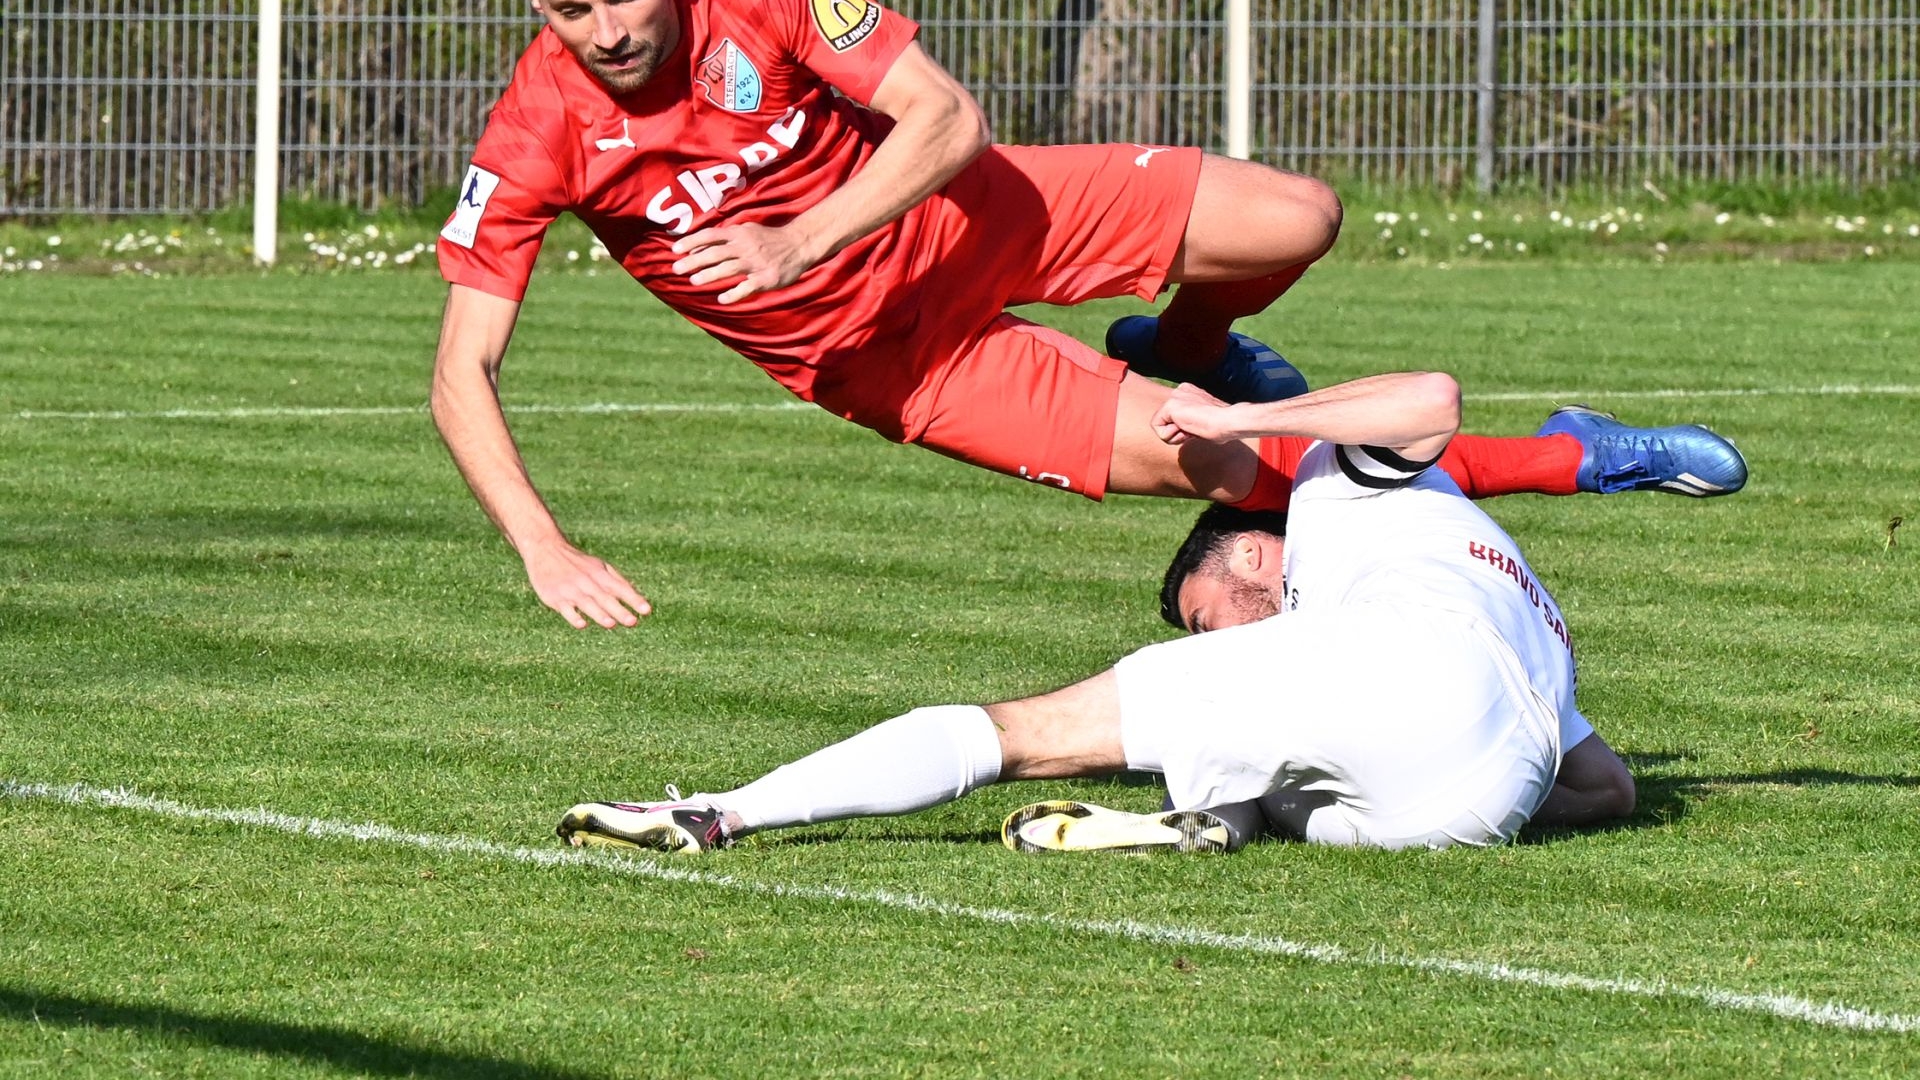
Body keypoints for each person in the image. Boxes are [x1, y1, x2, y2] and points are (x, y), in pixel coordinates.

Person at [432, 0, 1747, 630]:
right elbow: (460, 373)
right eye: (573, 11)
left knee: (1300, 217)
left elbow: (946, 119)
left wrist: (799, 241)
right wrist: (543, 545)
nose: (609, 30)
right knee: (1249, 470)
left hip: (973, 212)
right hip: (902, 363)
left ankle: (1195, 342)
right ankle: (1576, 456)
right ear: (534, 0)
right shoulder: (537, 130)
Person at [554, 370, 1637, 856]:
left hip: (1402, 682)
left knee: (1024, 731)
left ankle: (722, 812)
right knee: (1286, 785)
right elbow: (1608, 789)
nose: (1220, 636)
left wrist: (1240, 416)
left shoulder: (1326, 488)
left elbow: (1433, 398)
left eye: (1208, 619)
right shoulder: (1504, 583)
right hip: (1481, 798)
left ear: (1250, 549)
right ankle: (1199, 823)